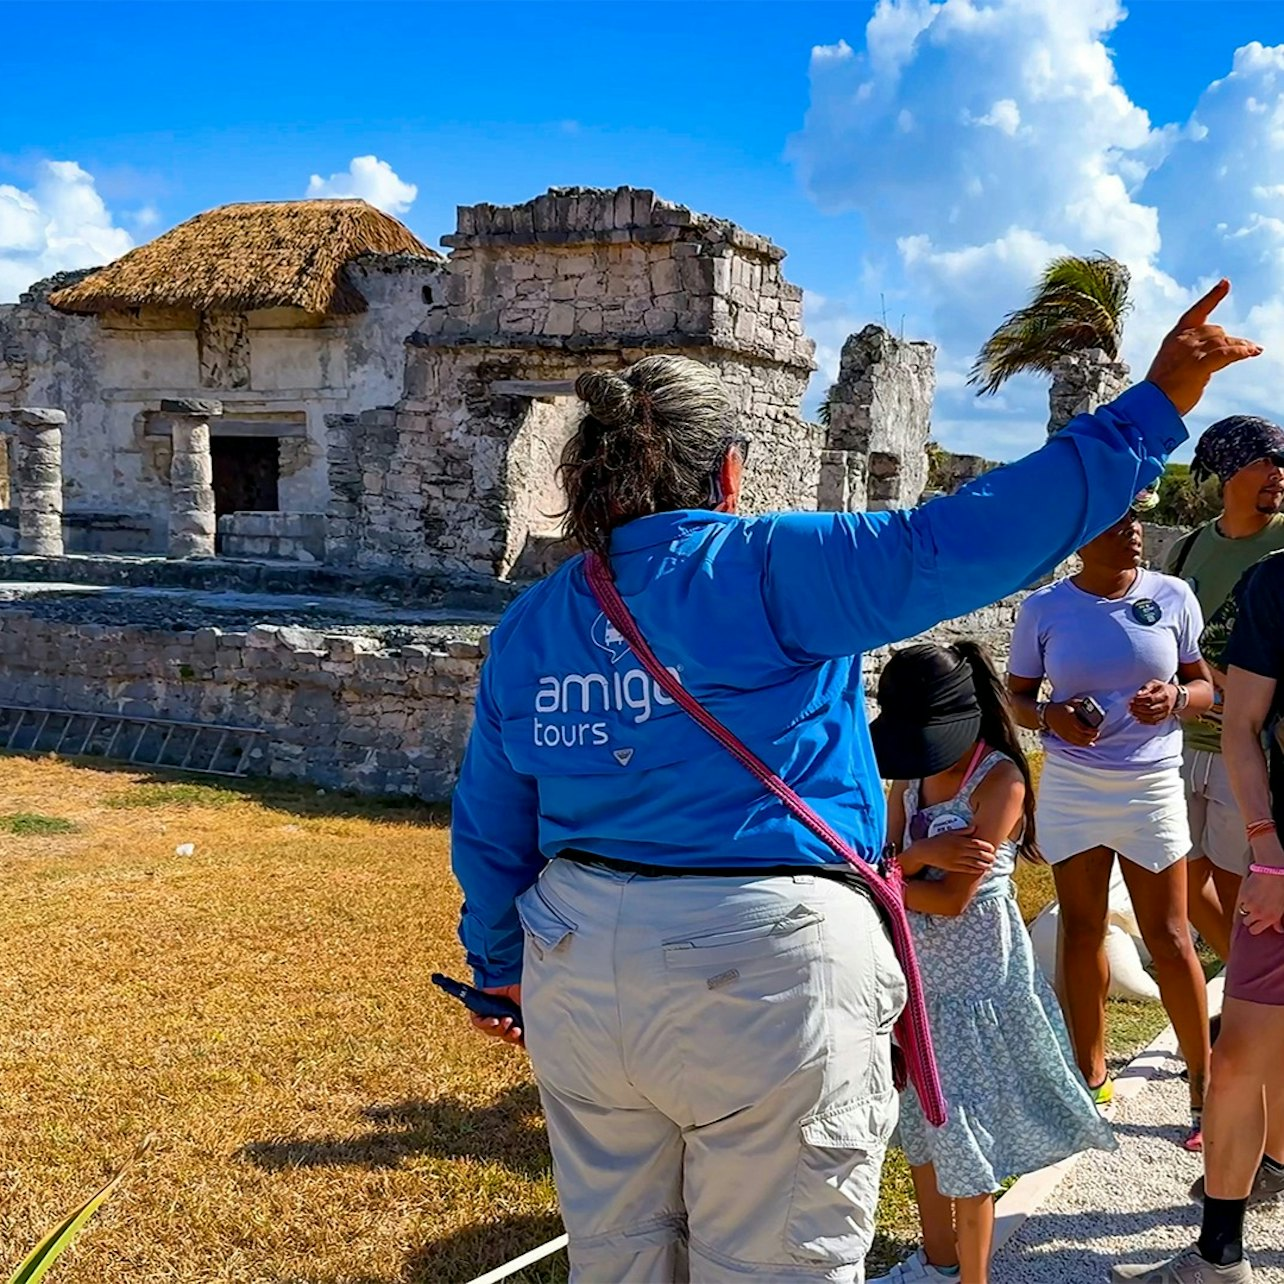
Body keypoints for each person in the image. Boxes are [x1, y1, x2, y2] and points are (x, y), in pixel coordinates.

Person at [451, 282, 1255, 1284]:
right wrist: (1156, 403)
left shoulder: (535, 621)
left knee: (617, 1263)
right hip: (759, 961)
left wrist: (497, 965)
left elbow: (490, 821)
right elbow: (967, 539)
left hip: (578, 960)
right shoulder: (765, 567)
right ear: (732, 474)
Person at [871, 643, 1114, 1284]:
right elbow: (889, 865)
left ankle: (973, 1277)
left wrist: (896, 873)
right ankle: (939, 1261)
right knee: (923, 1124)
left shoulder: (1000, 779)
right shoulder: (913, 776)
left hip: (974, 981)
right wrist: (913, 859)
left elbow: (950, 900)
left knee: (963, 1131)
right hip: (920, 979)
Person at [1007, 504, 1215, 1150]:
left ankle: (1204, 1085)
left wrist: (1177, 699)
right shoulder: (1045, 608)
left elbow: (1206, 686)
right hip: (1074, 782)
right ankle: (1088, 1073)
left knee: (1172, 935)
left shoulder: (1172, 596)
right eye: (1115, 522)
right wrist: (1052, 718)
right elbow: (1016, 699)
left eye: (1134, 522)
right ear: (1079, 535)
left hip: (1151, 783)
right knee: (1082, 929)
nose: (1131, 532)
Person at [1114, 552, 1284, 1283]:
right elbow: (1240, 722)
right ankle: (1219, 1257)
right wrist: (1266, 847)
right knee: (1241, 1060)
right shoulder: (1276, 582)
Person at [1166, 416, 1284, 962]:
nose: (1277, 473)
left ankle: (1252, 1000)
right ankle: (1242, 983)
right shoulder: (1186, 552)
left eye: (1279, 461)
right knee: (1183, 885)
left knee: (1252, 889)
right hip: (1183, 745)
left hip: (1254, 753)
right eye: (1262, 460)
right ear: (1227, 470)